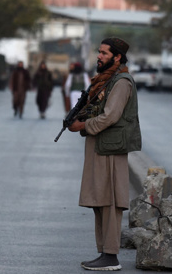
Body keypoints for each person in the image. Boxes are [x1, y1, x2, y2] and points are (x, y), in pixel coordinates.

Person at [68, 37, 142, 271]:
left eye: (104, 53)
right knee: (99, 201)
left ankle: (111, 255)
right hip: (100, 147)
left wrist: (83, 125)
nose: (98, 56)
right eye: (98, 52)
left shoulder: (121, 82)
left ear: (117, 57)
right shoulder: (105, 81)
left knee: (110, 201)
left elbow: (111, 116)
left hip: (110, 149)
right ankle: (104, 253)